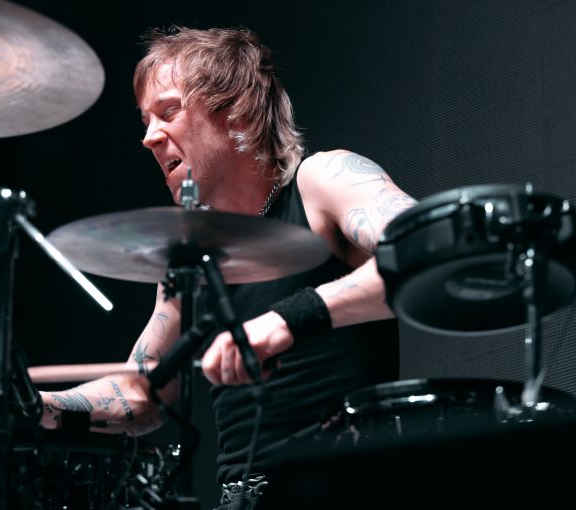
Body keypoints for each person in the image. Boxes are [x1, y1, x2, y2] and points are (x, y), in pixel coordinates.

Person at [39, 26, 416, 506]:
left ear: (237, 111)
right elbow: (142, 393)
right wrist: (30, 403)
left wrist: (288, 319)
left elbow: (426, 249)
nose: (149, 138)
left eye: (168, 112)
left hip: (345, 489)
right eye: (146, 121)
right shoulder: (191, 258)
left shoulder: (320, 182)